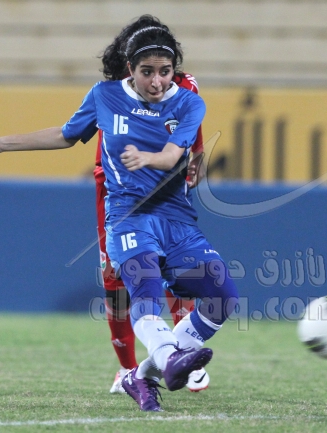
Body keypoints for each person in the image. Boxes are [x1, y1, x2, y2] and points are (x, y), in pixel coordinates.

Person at [0, 24, 238, 412]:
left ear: (174, 70)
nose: (157, 81)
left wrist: (149, 158)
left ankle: (142, 373)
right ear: (130, 68)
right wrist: (2, 143)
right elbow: (66, 135)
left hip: (176, 220)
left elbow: (172, 155)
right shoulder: (104, 95)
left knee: (223, 296)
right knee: (145, 291)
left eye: (165, 71)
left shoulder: (188, 102)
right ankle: (168, 359)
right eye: (147, 71)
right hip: (127, 217)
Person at [96, 14, 209, 394]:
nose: (156, 78)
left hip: (165, 187)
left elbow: (194, 140)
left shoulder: (184, 87)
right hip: (115, 189)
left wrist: (195, 160)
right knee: (116, 278)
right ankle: (127, 369)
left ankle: (179, 353)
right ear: (128, 61)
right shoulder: (111, 92)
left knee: (174, 264)